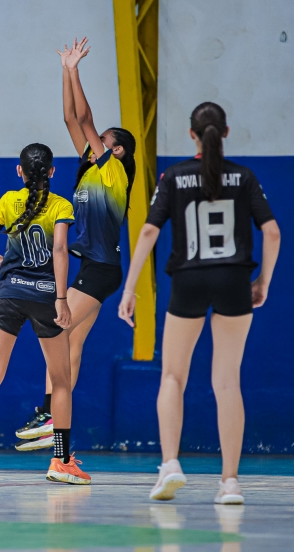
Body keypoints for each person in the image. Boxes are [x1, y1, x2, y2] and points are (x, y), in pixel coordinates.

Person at [117, 102, 281, 504]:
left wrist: (129, 289)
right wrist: (263, 281)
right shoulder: (244, 177)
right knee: (227, 382)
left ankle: (170, 464)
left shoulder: (173, 177)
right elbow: (273, 232)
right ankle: (230, 482)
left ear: (192, 134)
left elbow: (149, 233)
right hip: (234, 280)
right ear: (225, 133)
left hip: (188, 280)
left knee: (172, 377)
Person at [16, 38, 138, 451]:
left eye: (103, 140)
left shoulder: (114, 173)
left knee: (56, 327)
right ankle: (57, 432)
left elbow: (85, 118)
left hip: (101, 268)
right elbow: (71, 117)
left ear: (117, 150)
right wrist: (64, 72)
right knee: (71, 342)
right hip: (92, 266)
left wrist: (76, 69)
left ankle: (49, 412)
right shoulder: (90, 171)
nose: (94, 142)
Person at [0, 143, 91, 487]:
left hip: (9, 296)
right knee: (61, 381)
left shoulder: (7, 201)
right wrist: (62, 299)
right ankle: (61, 460)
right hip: (45, 298)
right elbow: (60, 250)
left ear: (19, 171)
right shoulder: (61, 205)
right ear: (52, 172)